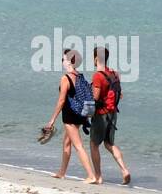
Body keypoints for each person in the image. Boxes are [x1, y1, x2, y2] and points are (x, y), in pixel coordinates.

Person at [43, 49, 99, 183]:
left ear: (69, 61)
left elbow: (61, 101)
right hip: (80, 114)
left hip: (69, 116)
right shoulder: (80, 76)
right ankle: (62, 172)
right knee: (66, 143)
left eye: (63, 60)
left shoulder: (65, 78)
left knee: (78, 146)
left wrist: (52, 120)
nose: (62, 62)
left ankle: (91, 176)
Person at [89, 45, 131, 185]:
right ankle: (124, 170)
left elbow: (95, 98)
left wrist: (85, 115)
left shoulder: (97, 76)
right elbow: (120, 94)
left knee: (94, 144)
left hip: (101, 115)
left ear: (96, 59)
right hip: (113, 114)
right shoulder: (114, 74)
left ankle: (98, 176)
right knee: (109, 144)